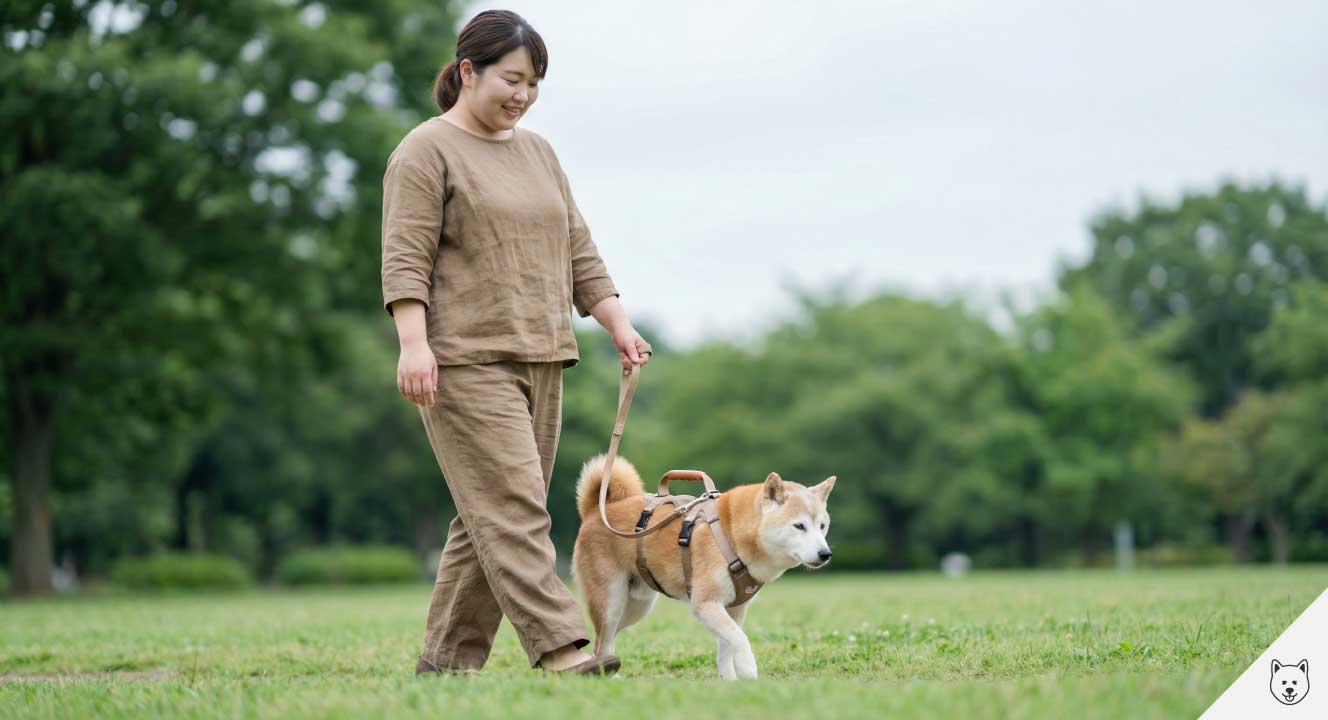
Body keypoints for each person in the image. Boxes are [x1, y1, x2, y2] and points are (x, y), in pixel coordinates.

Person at [380, 9, 652, 676]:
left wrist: (617, 322)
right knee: (514, 510)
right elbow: (405, 257)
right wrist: (413, 344)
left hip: (545, 353)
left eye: (533, 84)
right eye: (512, 79)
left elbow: (577, 247)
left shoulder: (539, 153)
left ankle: (446, 663)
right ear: (467, 71)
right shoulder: (425, 151)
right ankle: (559, 646)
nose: (523, 95)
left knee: (488, 516)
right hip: (463, 359)